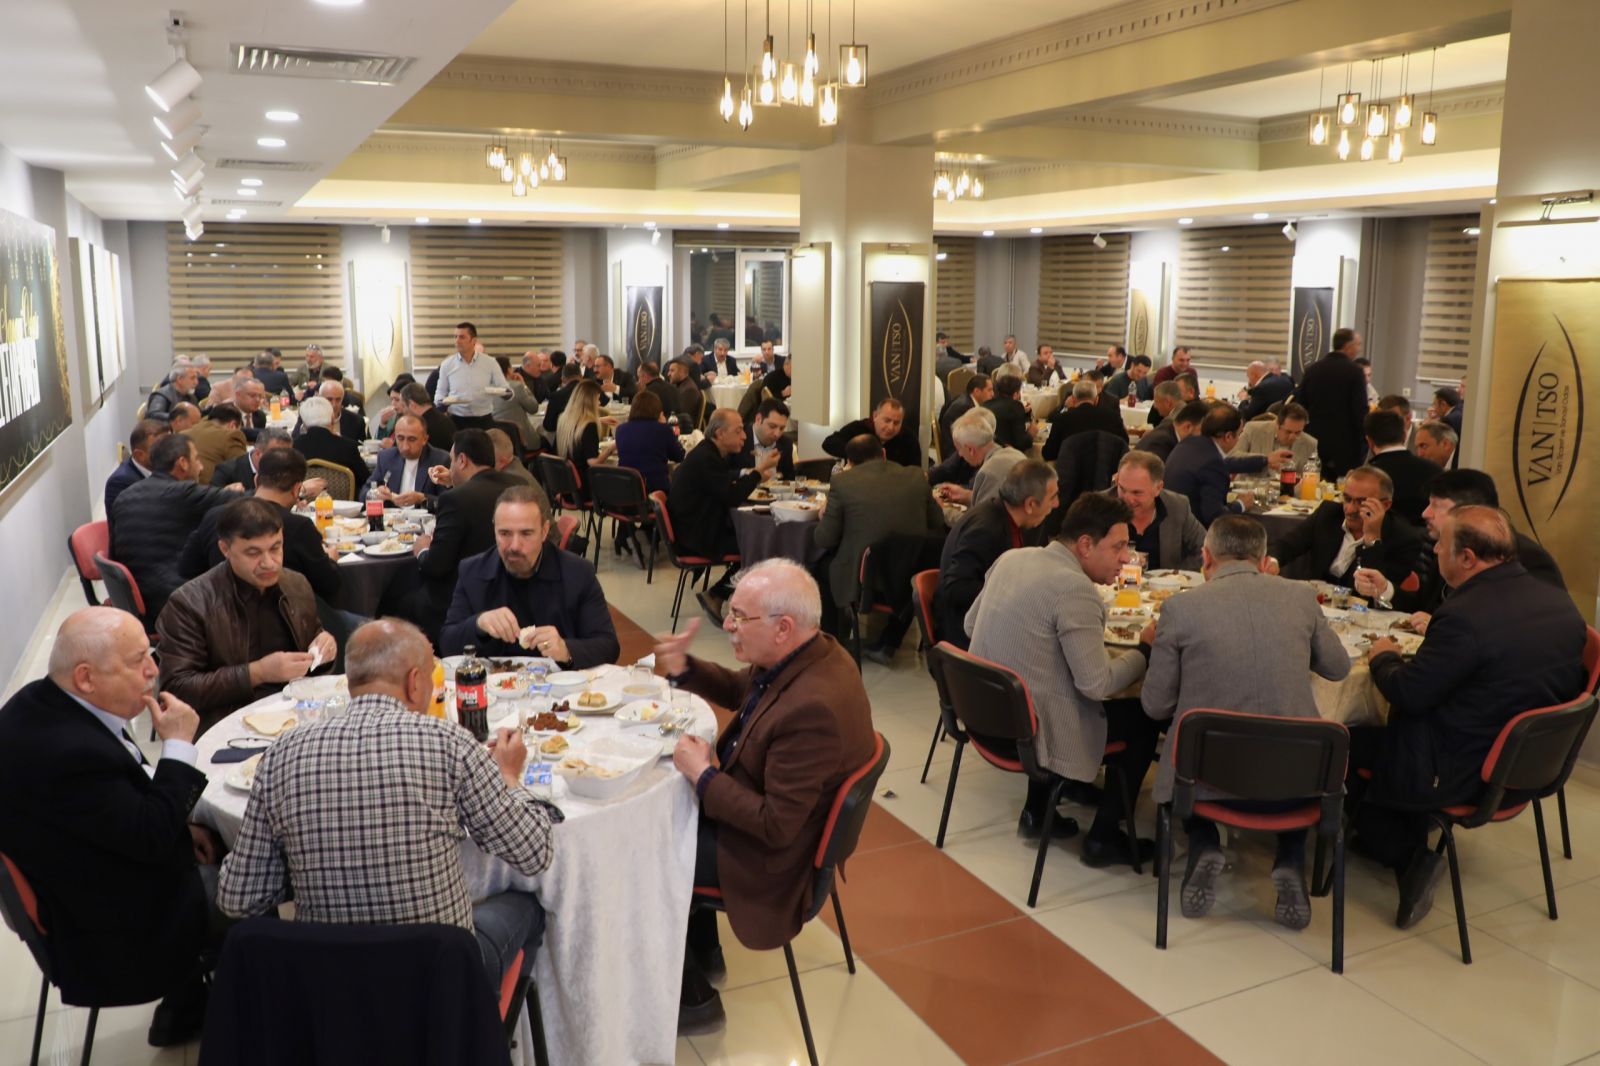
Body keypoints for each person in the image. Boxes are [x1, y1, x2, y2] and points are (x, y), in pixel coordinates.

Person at [217, 618, 560, 992]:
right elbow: (535, 852)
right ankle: (492, 1026)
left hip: (327, 989)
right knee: (528, 905)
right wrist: (508, 776)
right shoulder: (450, 744)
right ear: (415, 682)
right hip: (437, 988)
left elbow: (237, 898)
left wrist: (309, 856)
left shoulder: (282, 753)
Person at [652, 560, 875, 1033]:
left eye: (739, 616)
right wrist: (686, 668)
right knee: (667, 812)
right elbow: (745, 689)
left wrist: (705, 776)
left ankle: (693, 999)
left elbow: (775, 826)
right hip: (772, 825)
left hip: (773, 862)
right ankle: (704, 947)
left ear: (783, 627)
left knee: (646, 849)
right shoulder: (814, 651)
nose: (727, 625)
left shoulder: (812, 708)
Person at [1351, 506, 1587, 929]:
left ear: (1467, 558)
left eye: (1441, 544)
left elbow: (1411, 693)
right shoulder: (1559, 602)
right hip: (1530, 762)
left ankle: (1407, 857)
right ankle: (1388, 831)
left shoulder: (1465, 615)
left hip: (1465, 768)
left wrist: (1384, 657)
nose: (1434, 549)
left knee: (1346, 744)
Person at [0, 608, 218, 1046]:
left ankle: (186, 1003)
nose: (154, 670)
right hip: (114, 928)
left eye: (150, 654)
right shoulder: (69, 754)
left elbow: (118, 804)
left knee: (213, 839)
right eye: (138, 661)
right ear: (85, 677)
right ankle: (238, 1004)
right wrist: (178, 745)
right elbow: (151, 838)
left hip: (81, 875)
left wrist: (181, 824)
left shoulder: (41, 702)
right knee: (250, 879)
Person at [1141, 515, 1350, 929]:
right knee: (1290, 736)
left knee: (1192, 743)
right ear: (1264, 560)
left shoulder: (1180, 609)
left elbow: (1155, 705)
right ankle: (1290, 859)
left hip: (1208, 778)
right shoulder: (1300, 598)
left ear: (1206, 557)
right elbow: (1339, 667)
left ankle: (1204, 843)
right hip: (1296, 778)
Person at [964, 494, 1159, 863]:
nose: (1125, 558)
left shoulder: (1012, 558)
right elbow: (1097, 685)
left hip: (983, 715)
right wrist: (1145, 651)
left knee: (1045, 684)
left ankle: (1037, 812)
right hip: (1028, 733)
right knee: (1145, 717)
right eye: (1118, 547)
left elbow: (970, 625)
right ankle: (1104, 838)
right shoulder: (1076, 590)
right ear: (1085, 544)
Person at [157, 498, 335, 735]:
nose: (269, 563)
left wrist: (323, 647)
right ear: (225, 549)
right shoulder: (190, 603)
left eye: (276, 548)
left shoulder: (296, 584)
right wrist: (257, 672)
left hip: (299, 716)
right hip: (228, 723)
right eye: (253, 553)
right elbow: (177, 689)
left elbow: (312, 644)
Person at [440, 485, 620, 665]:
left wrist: (566, 649)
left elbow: (608, 646)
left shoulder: (578, 573)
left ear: (544, 531)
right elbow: (447, 644)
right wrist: (478, 624)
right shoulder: (472, 572)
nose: (514, 546)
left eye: (526, 533)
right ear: (494, 530)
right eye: (505, 533)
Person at [1353, 468, 1564, 617]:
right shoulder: (1447, 546)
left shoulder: (1527, 559)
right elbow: (1423, 606)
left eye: (1436, 505)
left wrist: (1437, 627)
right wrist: (1385, 589)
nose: (1425, 513)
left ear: (1471, 511)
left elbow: (1524, 628)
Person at [813, 435, 946, 664]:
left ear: (849, 462)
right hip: (912, 572)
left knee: (821, 567)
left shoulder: (843, 483)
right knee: (910, 557)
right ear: (883, 454)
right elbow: (936, 521)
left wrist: (823, 514)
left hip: (867, 576)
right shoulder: (916, 476)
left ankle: (832, 641)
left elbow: (824, 538)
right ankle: (889, 642)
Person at [181, 448, 342, 605]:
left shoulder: (214, 515)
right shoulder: (299, 526)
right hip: (283, 614)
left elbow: (187, 568)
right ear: (297, 489)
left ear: (256, 480)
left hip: (217, 609)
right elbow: (329, 585)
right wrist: (331, 560)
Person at [110, 434, 241, 621]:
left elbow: (113, 552)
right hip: (174, 603)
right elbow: (246, 500)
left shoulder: (125, 495)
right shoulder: (183, 493)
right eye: (197, 459)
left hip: (135, 598)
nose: (201, 467)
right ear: (183, 463)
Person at [934, 460, 1058, 648]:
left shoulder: (1008, 518)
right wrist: (1013, 595)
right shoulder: (986, 528)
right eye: (1053, 497)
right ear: (1030, 504)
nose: (1057, 504)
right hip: (966, 634)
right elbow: (955, 588)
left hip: (989, 622)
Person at [412, 430, 525, 635]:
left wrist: (422, 550)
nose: (450, 467)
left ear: (462, 460)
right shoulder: (519, 486)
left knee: (401, 596)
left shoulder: (455, 499)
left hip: (462, 600)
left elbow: (436, 566)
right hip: (515, 591)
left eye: (452, 461)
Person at [670, 408, 778, 616]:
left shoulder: (706, 453)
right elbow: (731, 496)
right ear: (720, 433)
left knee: (757, 541)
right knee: (762, 547)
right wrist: (758, 471)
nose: (744, 436)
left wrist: (748, 476)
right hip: (697, 536)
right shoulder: (707, 458)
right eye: (738, 431)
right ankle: (718, 594)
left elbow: (721, 482)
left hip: (692, 527)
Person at [1273, 464, 1423, 588]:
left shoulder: (1404, 539)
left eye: (1361, 502)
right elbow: (1287, 545)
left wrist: (1371, 539)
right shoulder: (1329, 514)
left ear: (1385, 505)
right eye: (1347, 499)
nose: (1350, 509)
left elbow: (1372, 591)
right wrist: (1273, 561)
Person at [1163, 406, 1286, 526]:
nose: (1238, 439)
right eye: (1239, 434)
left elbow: (1225, 464)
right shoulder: (1211, 462)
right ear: (1228, 437)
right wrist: (1241, 504)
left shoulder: (1189, 444)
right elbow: (1216, 516)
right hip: (1193, 531)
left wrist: (1265, 460)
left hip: (1170, 522)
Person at [1107, 451, 1205, 571]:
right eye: (1122, 489)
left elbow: (1206, 550)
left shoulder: (1177, 506)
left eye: (1137, 492)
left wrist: (1174, 575)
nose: (1128, 498)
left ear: (1158, 488)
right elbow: (1088, 557)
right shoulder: (1099, 506)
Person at [1292, 327, 1368, 478]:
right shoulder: (1355, 372)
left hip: (1314, 439)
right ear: (1348, 346)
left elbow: (1300, 404)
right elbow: (1359, 411)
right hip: (1345, 443)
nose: (1359, 349)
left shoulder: (1313, 369)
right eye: (1358, 345)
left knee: (1314, 482)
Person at [1364, 409, 1441, 525]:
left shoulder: (1367, 477)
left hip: (1384, 535)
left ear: (1369, 441)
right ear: (1404, 436)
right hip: (1428, 534)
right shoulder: (1435, 470)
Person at [937, 408, 1026, 508]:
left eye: (959, 449)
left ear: (970, 449)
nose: (960, 455)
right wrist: (966, 495)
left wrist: (942, 510)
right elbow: (995, 501)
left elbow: (983, 517)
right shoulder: (1013, 453)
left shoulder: (988, 471)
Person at [364, 413, 452, 505]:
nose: (405, 447)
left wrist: (422, 498)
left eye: (412, 439)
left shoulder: (440, 460)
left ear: (425, 439)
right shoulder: (386, 457)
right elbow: (364, 491)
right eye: (400, 438)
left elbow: (449, 502)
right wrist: (375, 493)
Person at [612, 389, 687, 496]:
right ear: (657, 410)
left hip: (626, 492)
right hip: (656, 492)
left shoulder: (621, 430)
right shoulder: (662, 429)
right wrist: (665, 426)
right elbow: (679, 456)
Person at [434, 322, 508, 429]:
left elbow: (504, 388)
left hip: (484, 420)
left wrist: (501, 392)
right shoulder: (447, 364)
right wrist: (441, 402)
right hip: (457, 419)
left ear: (473, 340)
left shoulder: (490, 363)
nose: (457, 341)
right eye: (455, 337)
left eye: (462, 337)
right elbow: (440, 392)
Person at [292, 395, 370, 486]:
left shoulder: (293, 448)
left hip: (305, 494)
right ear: (332, 419)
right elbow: (366, 480)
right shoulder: (348, 447)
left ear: (304, 423)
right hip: (343, 495)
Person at [821, 397, 921, 468]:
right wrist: (857, 455)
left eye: (896, 423)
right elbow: (829, 443)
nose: (891, 427)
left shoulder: (909, 438)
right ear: (875, 416)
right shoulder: (859, 428)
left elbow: (915, 470)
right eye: (887, 420)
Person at [1042, 379, 1128, 461]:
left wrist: (1066, 408)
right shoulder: (1112, 417)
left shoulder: (1063, 418)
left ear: (1073, 399)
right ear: (1096, 399)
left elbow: (1048, 453)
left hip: (1070, 469)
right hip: (1107, 468)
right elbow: (1125, 444)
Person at [105, 418, 172, 513]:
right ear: (140, 455)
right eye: (161, 449)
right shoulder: (121, 482)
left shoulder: (166, 468)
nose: (169, 452)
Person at [554, 378, 606, 499]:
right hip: (584, 488)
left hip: (566, 485)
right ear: (589, 402)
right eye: (597, 399)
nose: (599, 403)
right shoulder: (590, 426)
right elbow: (593, 463)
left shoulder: (564, 419)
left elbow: (579, 425)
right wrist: (610, 449)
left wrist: (600, 420)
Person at [1234, 402, 1319, 467]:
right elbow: (1233, 456)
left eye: (1298, 432)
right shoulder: (1253, 429)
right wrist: (1266, 459)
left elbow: (1311, 474)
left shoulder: (1310, 444)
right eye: (1288, 432)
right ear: (1277, 424)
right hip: (1250, 484)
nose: (1292, 437)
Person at [183, 403, 249, 485]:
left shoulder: (183, 433)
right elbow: (244, 470)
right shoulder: (231, 436)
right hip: (210, 489)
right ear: (232, 426)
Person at [735, 397, 795, 482]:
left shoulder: (785, 443)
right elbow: (723, 474)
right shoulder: (738, 438)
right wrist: (748, 472)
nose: (777, 434)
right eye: (772, 426)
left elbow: (789, 479)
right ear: (758, 419)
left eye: (782, 428)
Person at [491, 356, 541, 450]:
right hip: (522, 443)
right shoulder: (516, 387)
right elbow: (534, 408)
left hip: (497, 445)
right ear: (509, 370)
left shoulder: (487, 390)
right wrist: (524, 385)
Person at [1134, 397, 1206, 463]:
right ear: (1188, 427)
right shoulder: (1161, 445)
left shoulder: (1170, 428)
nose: (1204, 438)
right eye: (1202, 431)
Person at [939, 373, 992, 459]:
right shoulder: (964, 408)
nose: (992, 394)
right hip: (955, 454)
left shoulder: (966, 399)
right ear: (977, 391)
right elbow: (970, 438)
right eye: (989, 390)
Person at [983, 372, 1035, 453]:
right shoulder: (1015, 406)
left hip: (988, 451)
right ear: (1015, 394)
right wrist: (1031, 434)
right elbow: (1022, 443)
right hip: (1008, 453)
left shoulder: (986, 404)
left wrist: (1023, 412)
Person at [401, 381, 455, 453]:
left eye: (403, 406)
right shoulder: (445, 419)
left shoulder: (422, 427)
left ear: (411, 404)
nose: (403, 411)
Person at [542, 361, 586, 434]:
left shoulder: (556, 396)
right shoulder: (591, 391)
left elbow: (548, 426)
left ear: (562, 378)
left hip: (565, 437)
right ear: (581, 376)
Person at [667, 356, 706, 427]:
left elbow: (682, 417)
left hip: (684, 428)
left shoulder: (689, 390)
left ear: (682, 373)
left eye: (672, 371)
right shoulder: (681, 385)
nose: (668, 374)